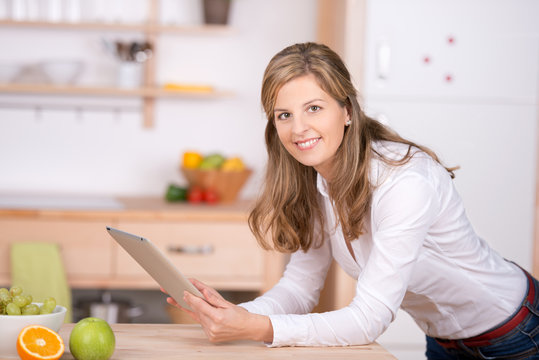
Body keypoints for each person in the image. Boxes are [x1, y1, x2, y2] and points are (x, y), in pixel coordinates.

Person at [166, 42, 539, 359]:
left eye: (314, 108)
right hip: (444, 340)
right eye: (284, 115)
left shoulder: (404, 181)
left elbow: (369, 319)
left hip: (516, 332)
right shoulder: (313, 182)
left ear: (346, 111)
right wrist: (232, 314)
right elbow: (300, 287)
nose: (298, 129)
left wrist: (256, 327)